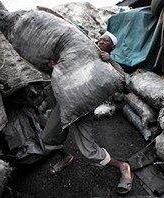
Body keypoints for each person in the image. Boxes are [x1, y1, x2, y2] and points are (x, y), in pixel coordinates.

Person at [41, 31, 133, 195]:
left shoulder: (109, 64)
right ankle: (65, 156)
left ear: (113, 47)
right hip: (65, 103)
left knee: (89, 151)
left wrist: (110, 61)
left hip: (84, 109)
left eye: (106, 40)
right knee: (47, 137)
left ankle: (122, 165)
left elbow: (126, 83)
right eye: (100, 39)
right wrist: (55, 67)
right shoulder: (83, 54)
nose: (101, 41)